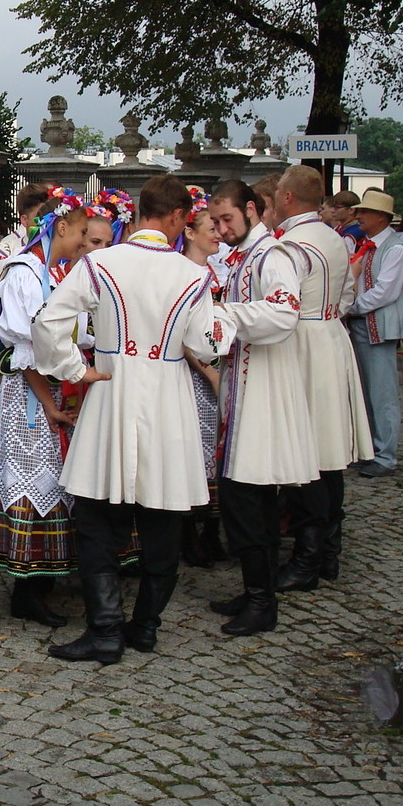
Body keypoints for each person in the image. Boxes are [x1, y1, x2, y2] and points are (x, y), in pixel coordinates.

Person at [33, 175, 230, 661]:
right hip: (168, 398)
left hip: (113, 391)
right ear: (178, 216)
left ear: (141, 211)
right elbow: (206, 343)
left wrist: (75, 369)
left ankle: (105, 631)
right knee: (163, 516)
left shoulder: (101, 262)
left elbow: (48, 322)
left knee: (98, 518)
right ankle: (144, 627)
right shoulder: (193, 274)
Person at [0, 188, 90, 636]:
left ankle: (30, 592)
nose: (84, 243)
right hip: (21, 395)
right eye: (82, 234)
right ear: (62, 227)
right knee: (5, 488)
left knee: (50, 488)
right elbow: (24, 348)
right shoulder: (23, 272)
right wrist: (50, 404)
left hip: (50, 392)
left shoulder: (57, 272)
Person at [203, 179, 318, 635]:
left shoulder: (273, 256)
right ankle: (256, 588)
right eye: (215, 222)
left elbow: (284, 313)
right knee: (244, 495)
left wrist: (227, 315)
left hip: (265, 386)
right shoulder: (246, 257)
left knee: (249, 493)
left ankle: (261, 601)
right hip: (244, 382)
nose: (221, 229)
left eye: (227, 219)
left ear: (251, 209)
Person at [267, 166, 374, 591]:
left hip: (302, 342)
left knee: (305, 452)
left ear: (288, 197)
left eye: (278, 190)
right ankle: (328, 551)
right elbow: (347, 294)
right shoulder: (335, 237)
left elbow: (280, 306)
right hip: (330, 336)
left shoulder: (291, 245)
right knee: (327, 451)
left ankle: (308, 557)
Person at [345, 188, 403, 477]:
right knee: (366, 391)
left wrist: (351, 307)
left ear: (382, 217)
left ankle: (385, 456)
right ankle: (371, 449)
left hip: (378, 325)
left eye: (365, 212)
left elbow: (385, 291)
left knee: (382, 392)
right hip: (364, 323)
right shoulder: (370, 245)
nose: (359, 216)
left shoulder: (395, 249)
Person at [178, 190, 225, 567]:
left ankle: (211, 527)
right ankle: (188, 533)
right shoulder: (183, 274)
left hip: (217, 366)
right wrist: (209, 373)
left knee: (215, 447)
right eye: (212, 228)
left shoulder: (216, 271)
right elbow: (182, 335)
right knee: (194, 447)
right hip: (195, 373)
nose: (219, 234)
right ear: (190, 232)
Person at [322, 190, 365, 255]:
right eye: (333, 207)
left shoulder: (354, 233)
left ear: (351, 210)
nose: (333, 211)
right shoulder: (338, 228)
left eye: (337, 207)